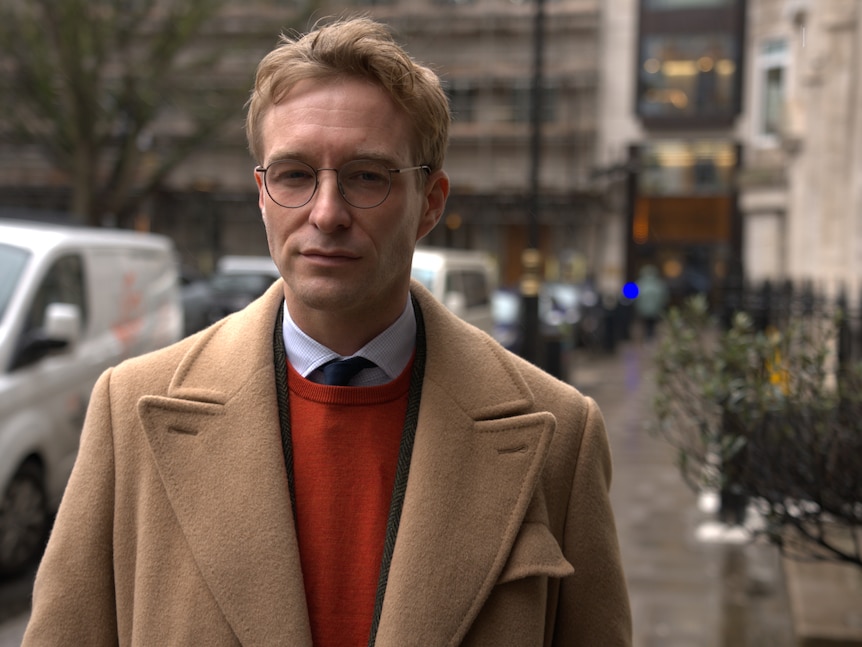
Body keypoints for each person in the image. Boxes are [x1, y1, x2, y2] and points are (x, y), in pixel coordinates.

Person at [23, 16, 631, 646]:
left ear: (432, 202)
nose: (327, 213)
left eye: (368, 176)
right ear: (261, 194)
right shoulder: (130, 411)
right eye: (294, 175)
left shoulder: (560, 434)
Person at [634, 264, 669, 341]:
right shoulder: (658, 284)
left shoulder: (640, 284)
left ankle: (647, 337)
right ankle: (650, 337)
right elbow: (663, 297)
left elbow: (635, 297)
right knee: (652, 324)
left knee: (645, 324)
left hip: (643, 309)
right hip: (654, 309)